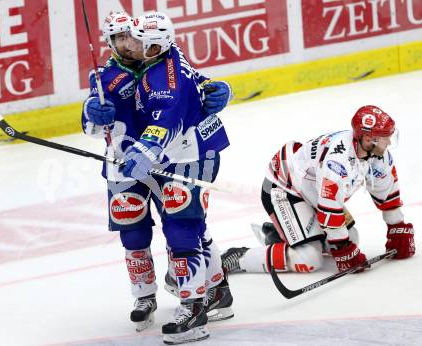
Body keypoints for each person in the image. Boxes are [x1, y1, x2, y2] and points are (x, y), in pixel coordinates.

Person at [82, 11, 234, 345]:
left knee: (183, 228)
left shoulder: (166, 69)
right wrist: (92, 114)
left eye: (133, 38)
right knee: (132, 230)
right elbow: (91, 122)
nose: (127, 44)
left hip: (179, 157)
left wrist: (216, 89)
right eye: (120, 38)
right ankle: (147, 295)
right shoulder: (107, 74)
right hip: (128, 162)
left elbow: (170, 114)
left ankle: (195, 305)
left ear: (152, 44)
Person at [221, 105, 415, 277]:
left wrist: (396, 227)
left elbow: (387, 190)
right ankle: (240, 257)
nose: (388, 142)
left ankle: (282, 234)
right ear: (367, 139)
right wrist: (342, 248)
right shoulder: (337, 162)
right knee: (309, 259)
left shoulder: (378, 153)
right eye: (383, 138)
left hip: (313, 191)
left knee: (352, 238)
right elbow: (329, 210)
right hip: (284, 188)